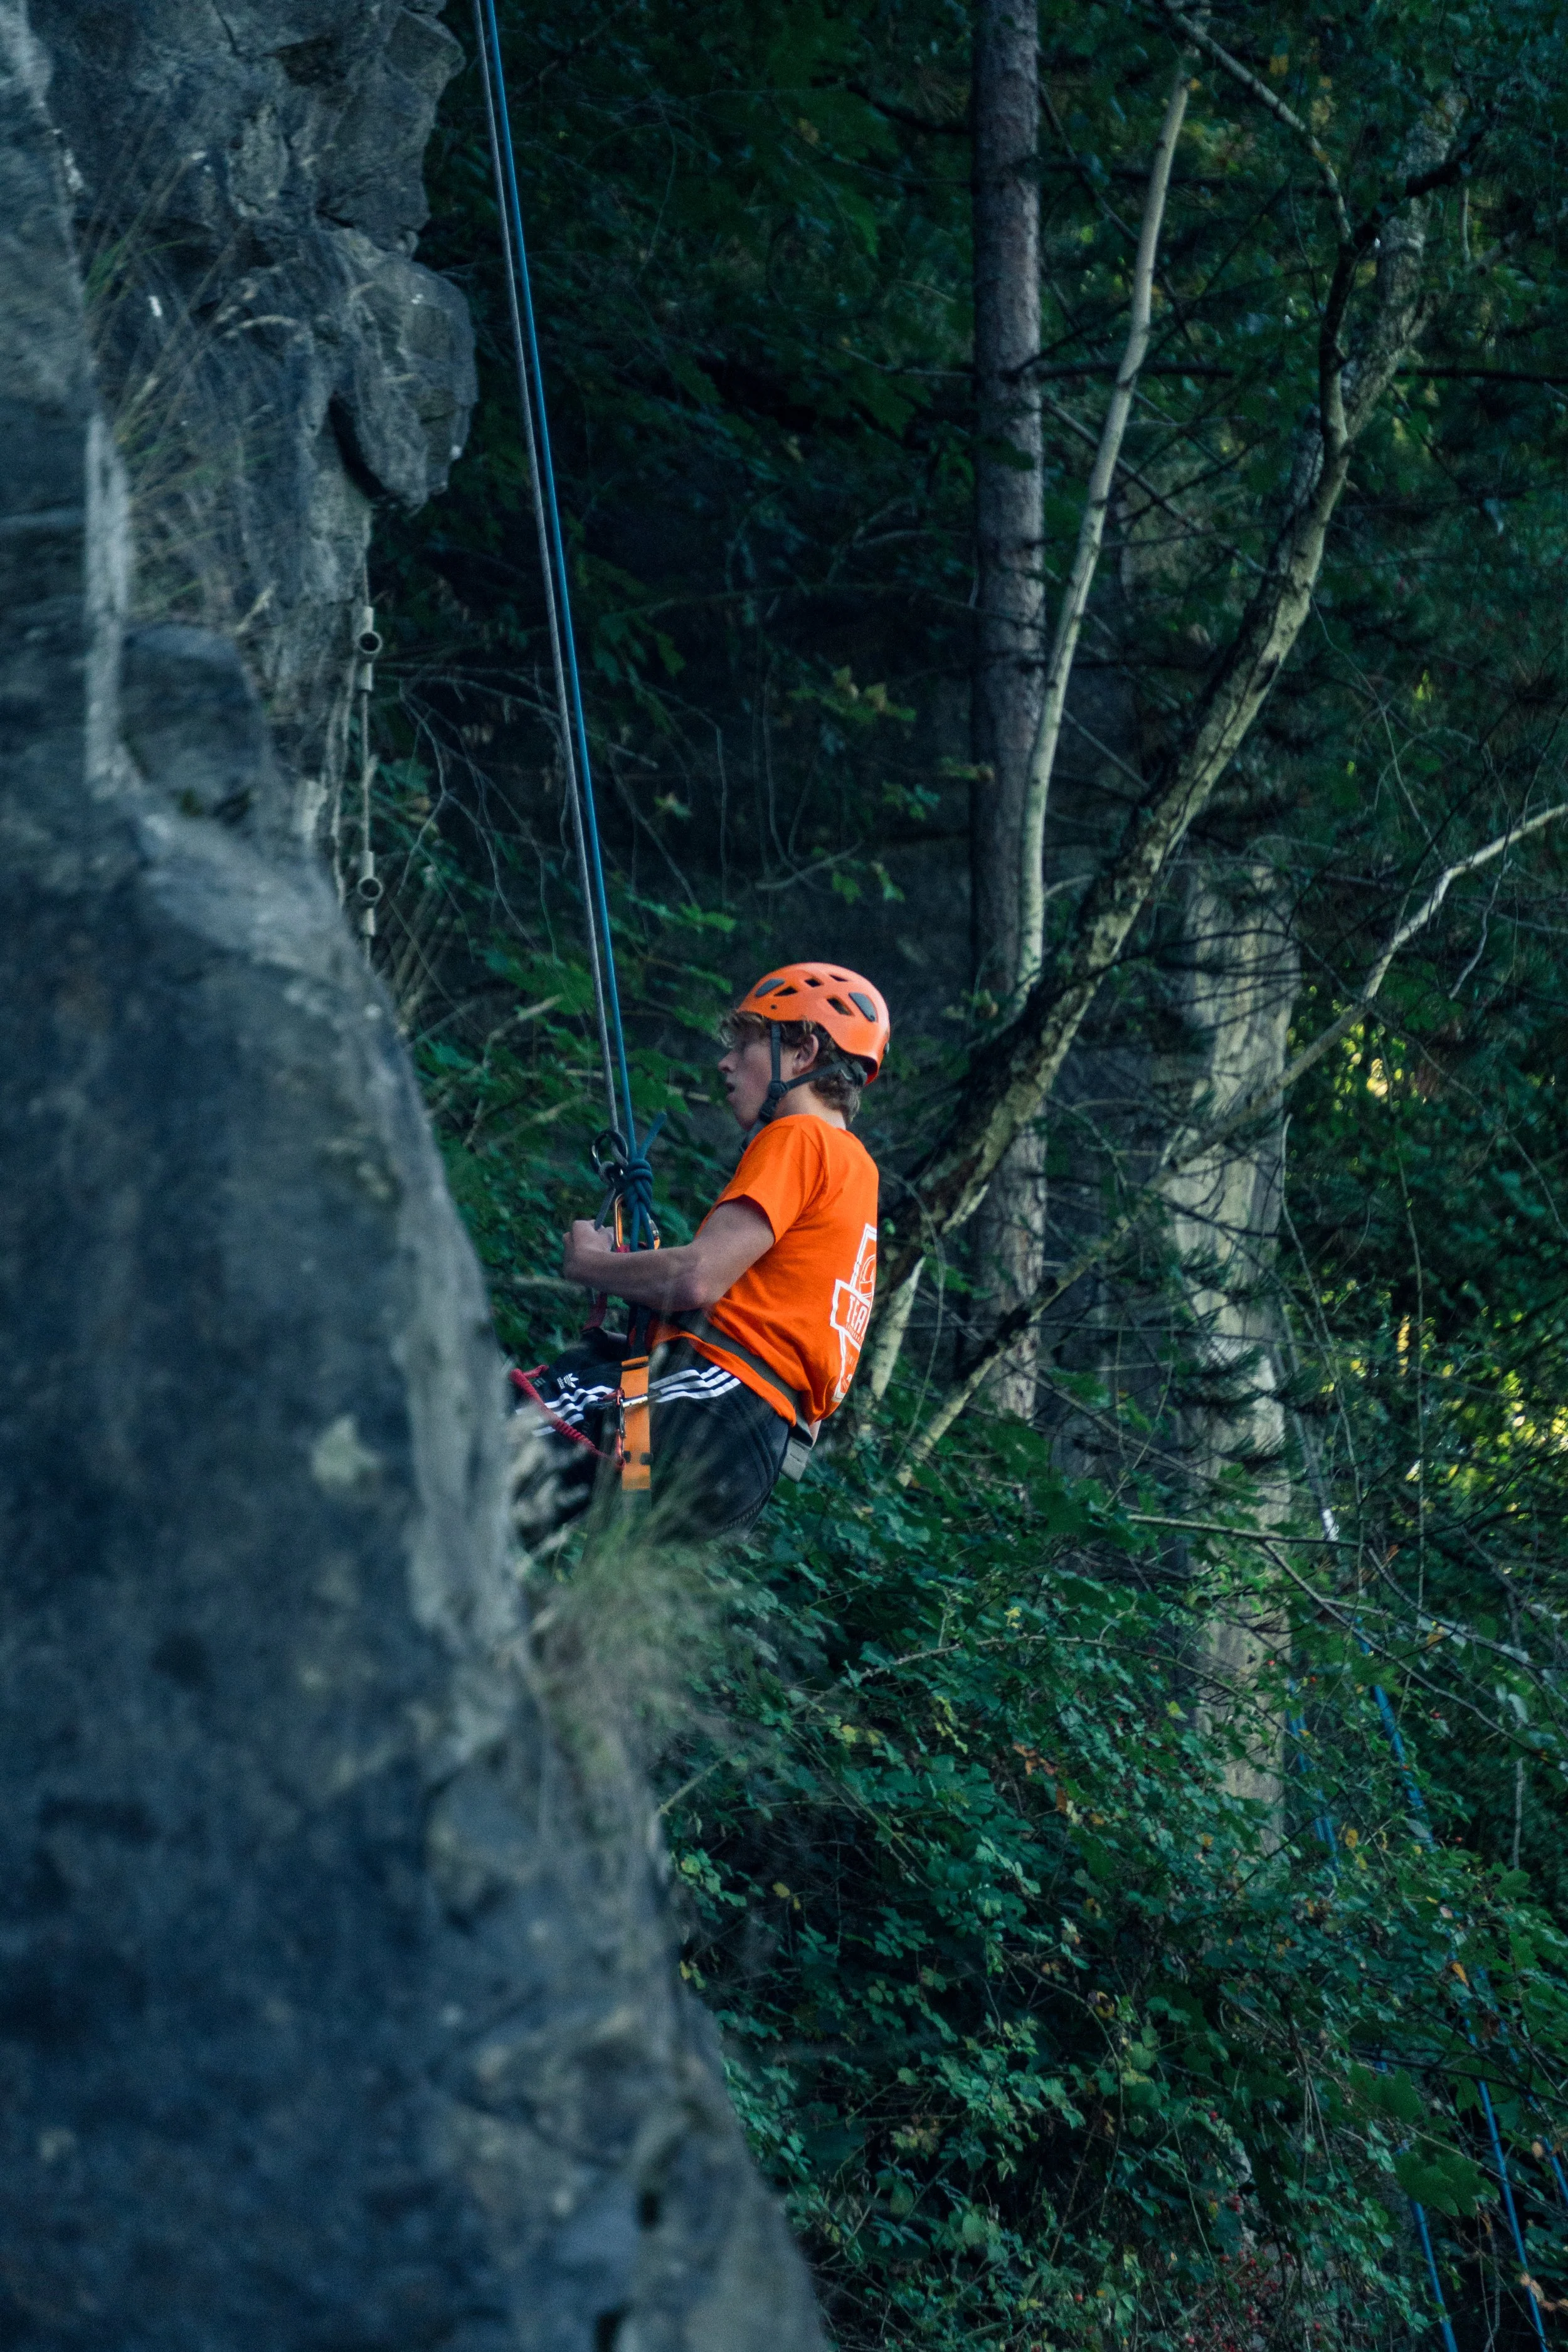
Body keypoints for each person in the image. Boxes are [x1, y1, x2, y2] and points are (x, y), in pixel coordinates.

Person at [511, 963, 888, 1550]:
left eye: (744, 1044)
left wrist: (592, 1265)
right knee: (536, 1488)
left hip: (711, 1404)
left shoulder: (800, 1138)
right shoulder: (856, 1173)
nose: (726, 1063)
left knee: (502, 1432)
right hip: (747, 1452)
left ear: (804, 1052)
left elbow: (695, 1279)